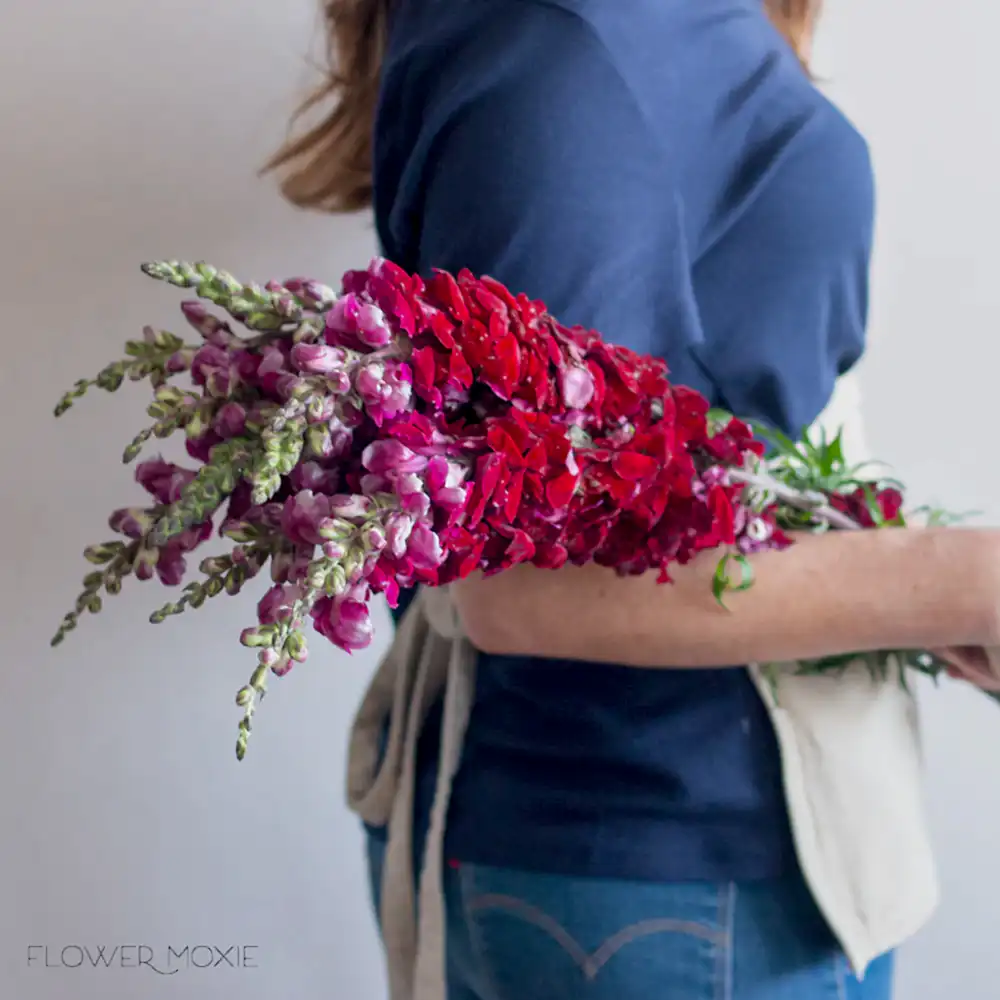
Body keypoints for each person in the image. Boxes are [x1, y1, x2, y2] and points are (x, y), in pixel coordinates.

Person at [265, 1, 1000, 997]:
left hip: (680, 862)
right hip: (658, 870)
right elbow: (523, 581)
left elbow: (693, 433)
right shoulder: (559, 51)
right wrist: (960, 582)